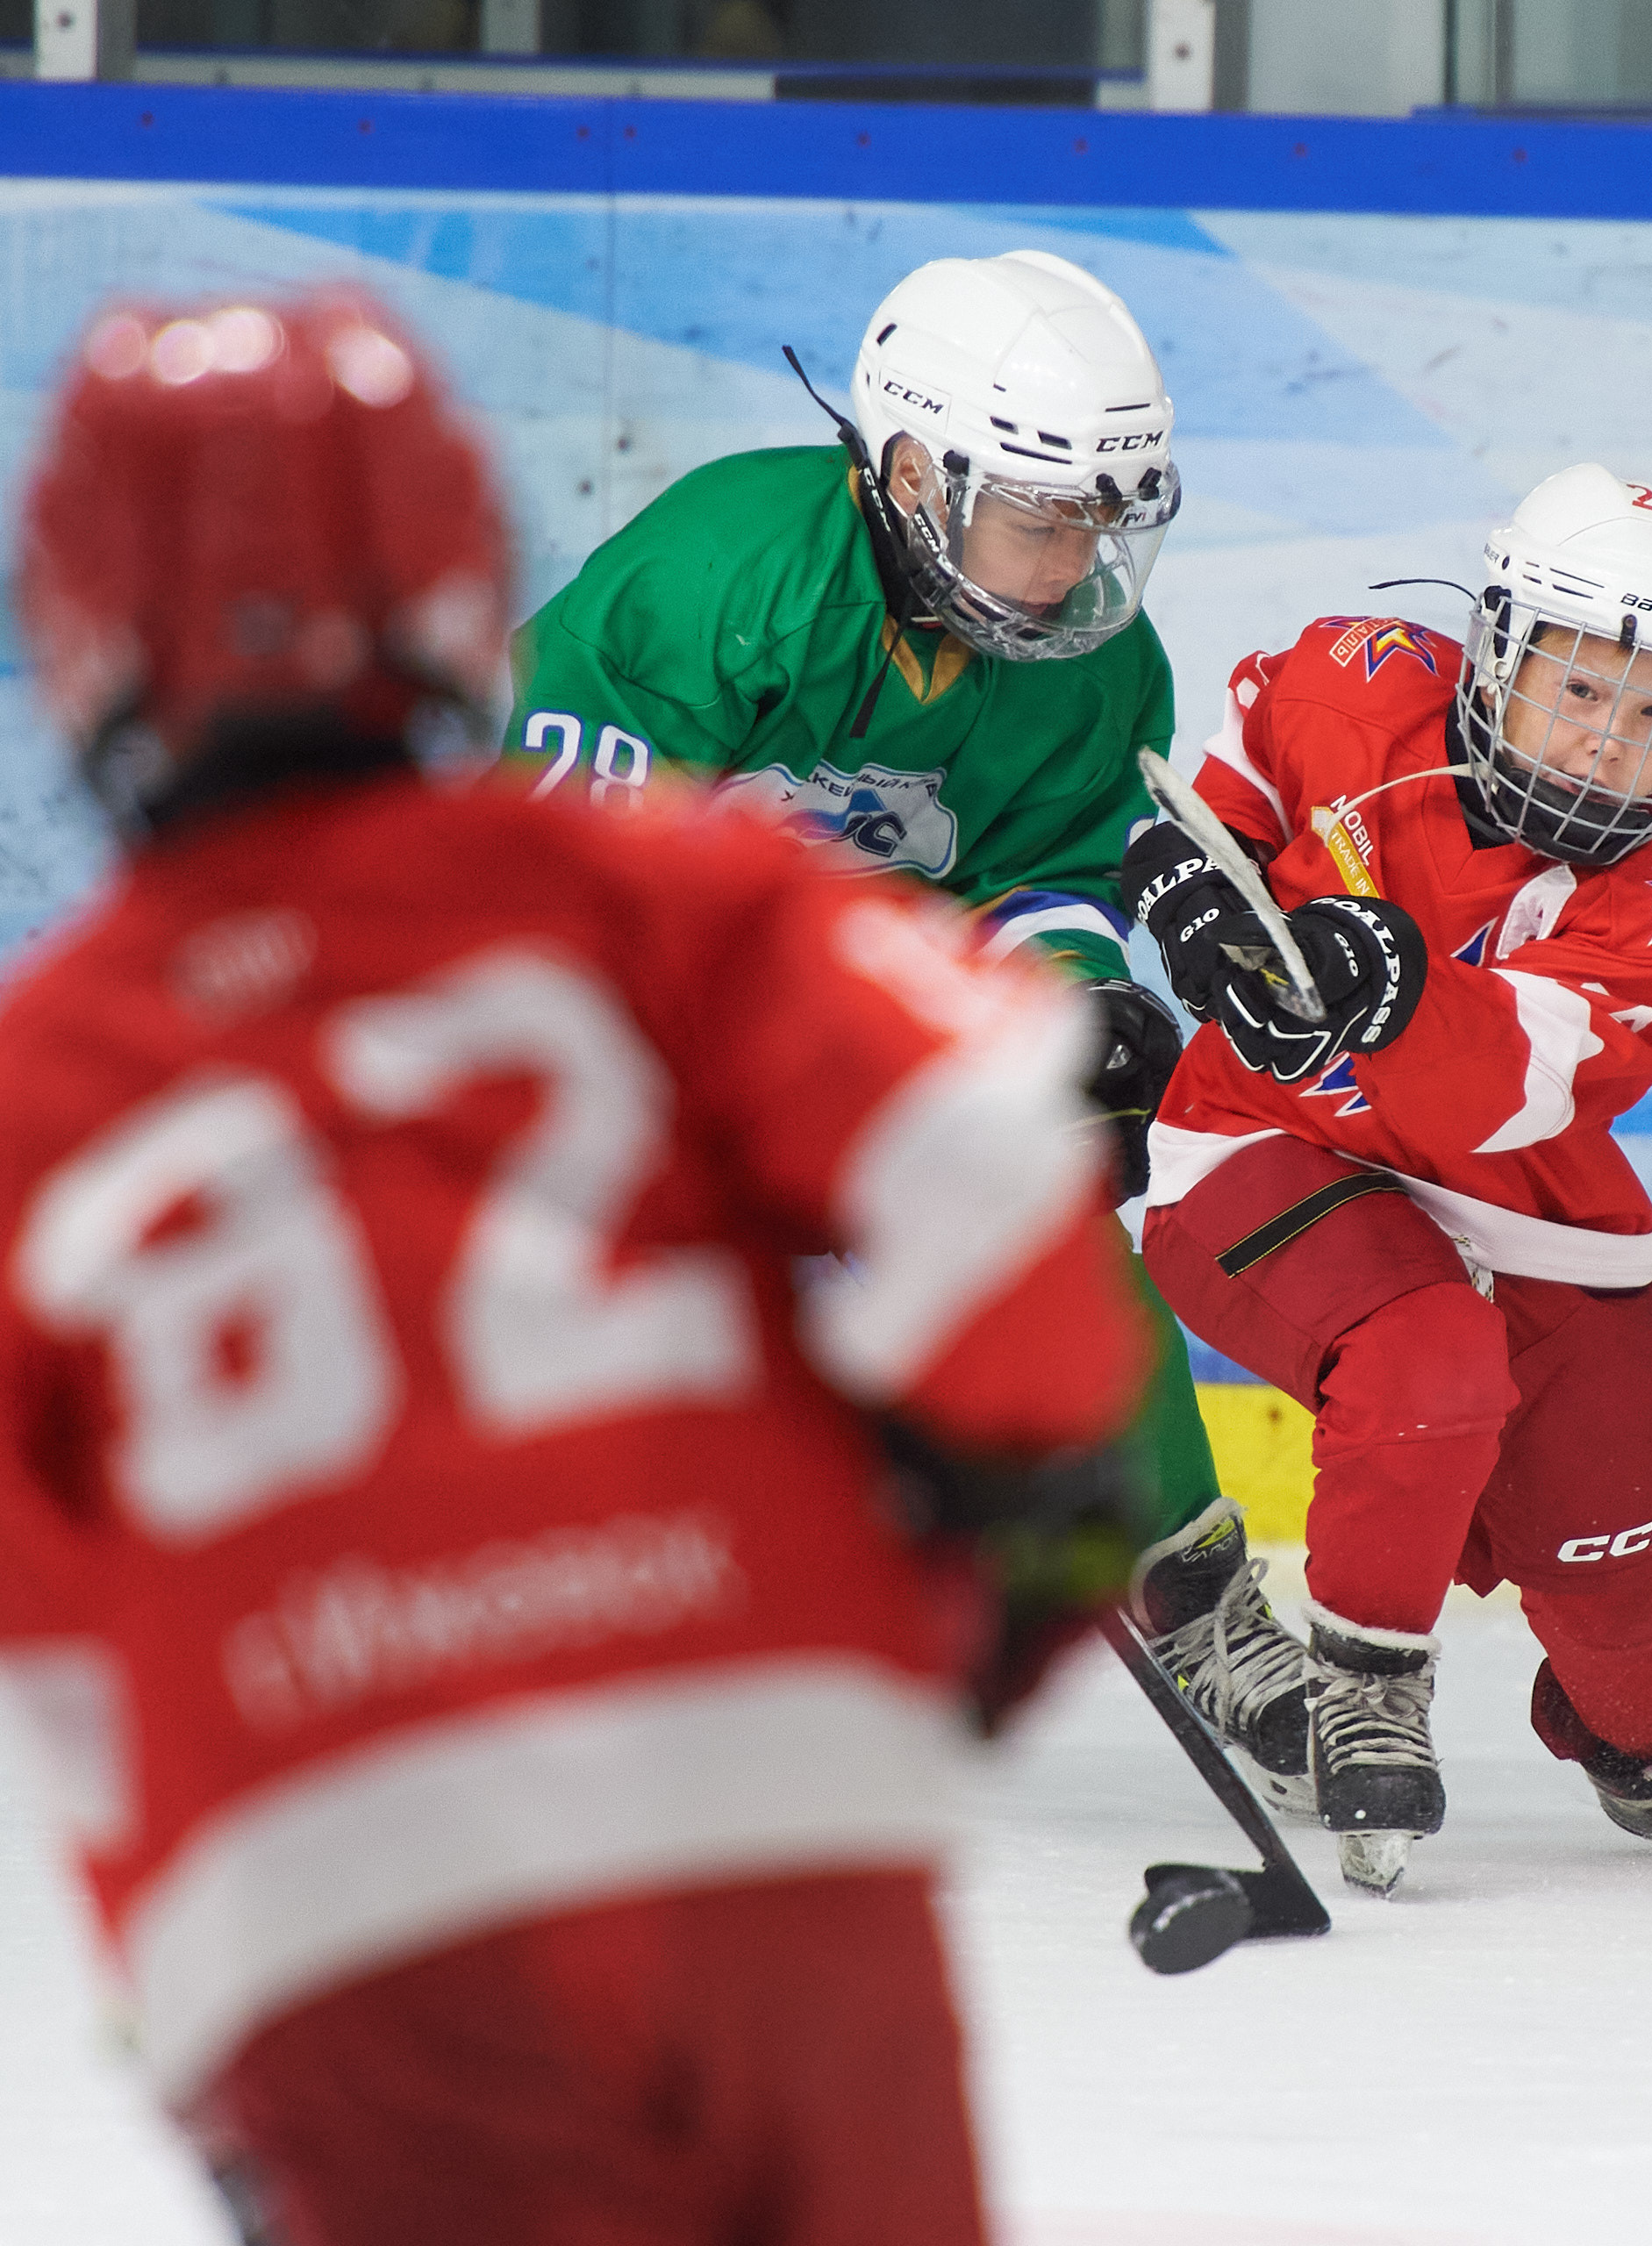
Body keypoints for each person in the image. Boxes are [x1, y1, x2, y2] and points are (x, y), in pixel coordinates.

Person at [0, 290, 1151, 2246]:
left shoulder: (42, 1086)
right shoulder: (678, 894)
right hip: (770, 1809)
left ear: (78, 632)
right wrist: (1014, 1562)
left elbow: (71, 1662)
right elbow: (992, 1157)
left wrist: (201, 2000)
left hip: (350, 1913)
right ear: (466, 586)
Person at [1119, 464, 1652, 1895]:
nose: (1612, 740)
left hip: (1531, 1217)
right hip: (1264, 1150)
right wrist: (1184, 879)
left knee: (1627, 1587)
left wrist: (1391, 982)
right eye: (1583, 688)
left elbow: (1513, 1084)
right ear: (1498, 651)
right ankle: (1367, 1688)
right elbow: (1219, 791)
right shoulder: (1357, 678)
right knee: (1427, 1353)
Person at [501, 247, 1223, 1547]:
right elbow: (555, 881)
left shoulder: (1096, 669)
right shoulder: (716, 581)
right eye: (1039, 520)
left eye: (1099, 521)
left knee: (1051, 1241)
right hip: (631, 1008)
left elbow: (1042, 871)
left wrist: (1076, 1017)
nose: (1074, 564)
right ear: (912, 476)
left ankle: (1183, 1580)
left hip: (863, 1018)